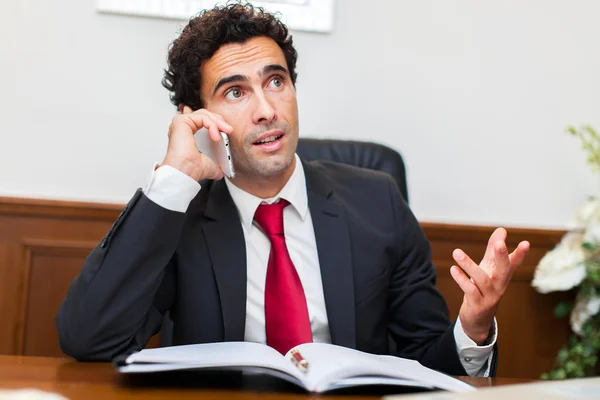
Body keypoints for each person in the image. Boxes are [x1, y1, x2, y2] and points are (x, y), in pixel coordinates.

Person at [56, 2, 529, 377]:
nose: (266, 110)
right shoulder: (180, 218)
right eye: (236, 92)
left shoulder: (377, 202)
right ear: (198, 116)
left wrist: (472, 325)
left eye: (276, 82)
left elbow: (429, 364)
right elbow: (89, 339)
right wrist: (173, 177)